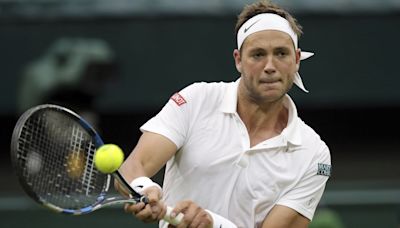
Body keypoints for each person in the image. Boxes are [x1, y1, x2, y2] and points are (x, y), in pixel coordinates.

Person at [117, 0, 331, 227]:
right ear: (238, 60)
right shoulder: (195, 100)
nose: (270, 65)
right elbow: (133, 167)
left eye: (281, 53)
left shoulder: (314, 154)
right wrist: (143, 188)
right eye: (258, 55)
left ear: (296, 60)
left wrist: (212, 223)